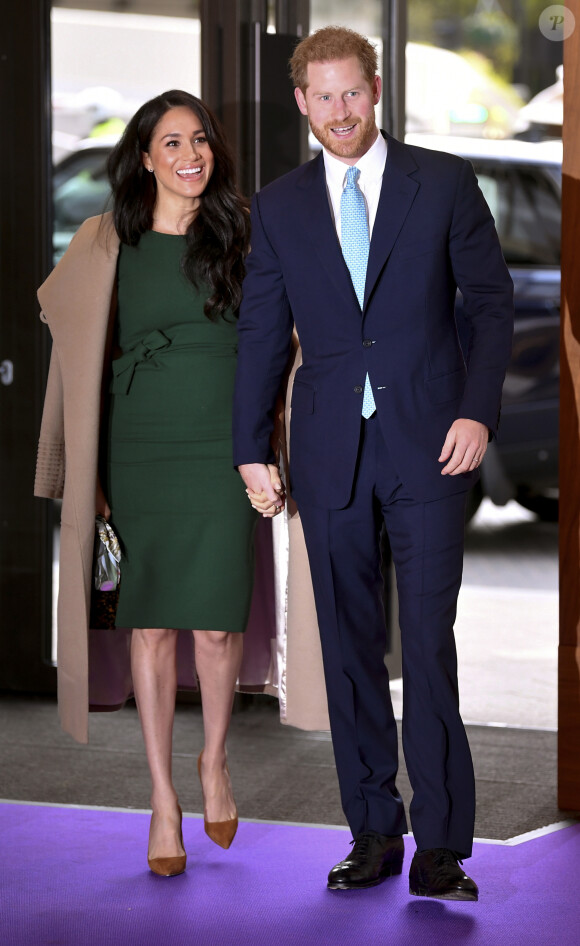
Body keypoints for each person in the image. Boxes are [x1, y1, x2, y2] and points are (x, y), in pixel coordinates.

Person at [233, 27, 514, 900]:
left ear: (377, 88)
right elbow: (260, 333)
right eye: (324, 97)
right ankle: (371, 832)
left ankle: (441, 843)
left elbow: (493, 303)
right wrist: (249, 446)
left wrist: (477, 409)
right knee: (349, 649)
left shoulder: (443, 181)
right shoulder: (278, 207)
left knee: (426, 644)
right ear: (302, 104)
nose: (340, 112)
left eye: (352, 93)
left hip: (432, 444)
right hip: (327, 454)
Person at [34, 90, 283, 877]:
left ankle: (213, 763)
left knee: (213, 623)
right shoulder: (105, 240)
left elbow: (282, 339)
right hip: (138, 444)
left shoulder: (245, 231)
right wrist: (89, 472)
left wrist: (274, 447)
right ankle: (161, 798)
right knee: (149, 626)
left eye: (200, 139)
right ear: (143, 157)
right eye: (171, 142)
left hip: (224, 446)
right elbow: (73, 354)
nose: (190, 154)